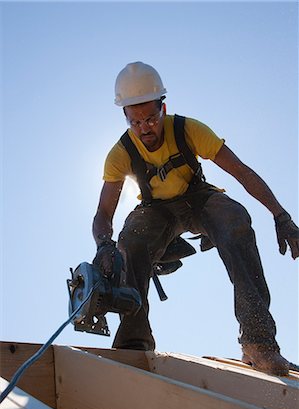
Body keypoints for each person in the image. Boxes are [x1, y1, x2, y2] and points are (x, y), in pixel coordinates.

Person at [92, 61, 299, 376]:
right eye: (135, 121)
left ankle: (259, 344)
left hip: (198, 199)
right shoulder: (120, 153)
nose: (144, 127)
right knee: (132, 237)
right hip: (156, 211)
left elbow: (241, 171)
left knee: (234, 220)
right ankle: (134, 342)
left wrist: (281, 215)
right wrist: (104, 244)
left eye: (150, 118)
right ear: (125, 117)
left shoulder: (188, 130)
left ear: (164, 107)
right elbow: (103, 213)